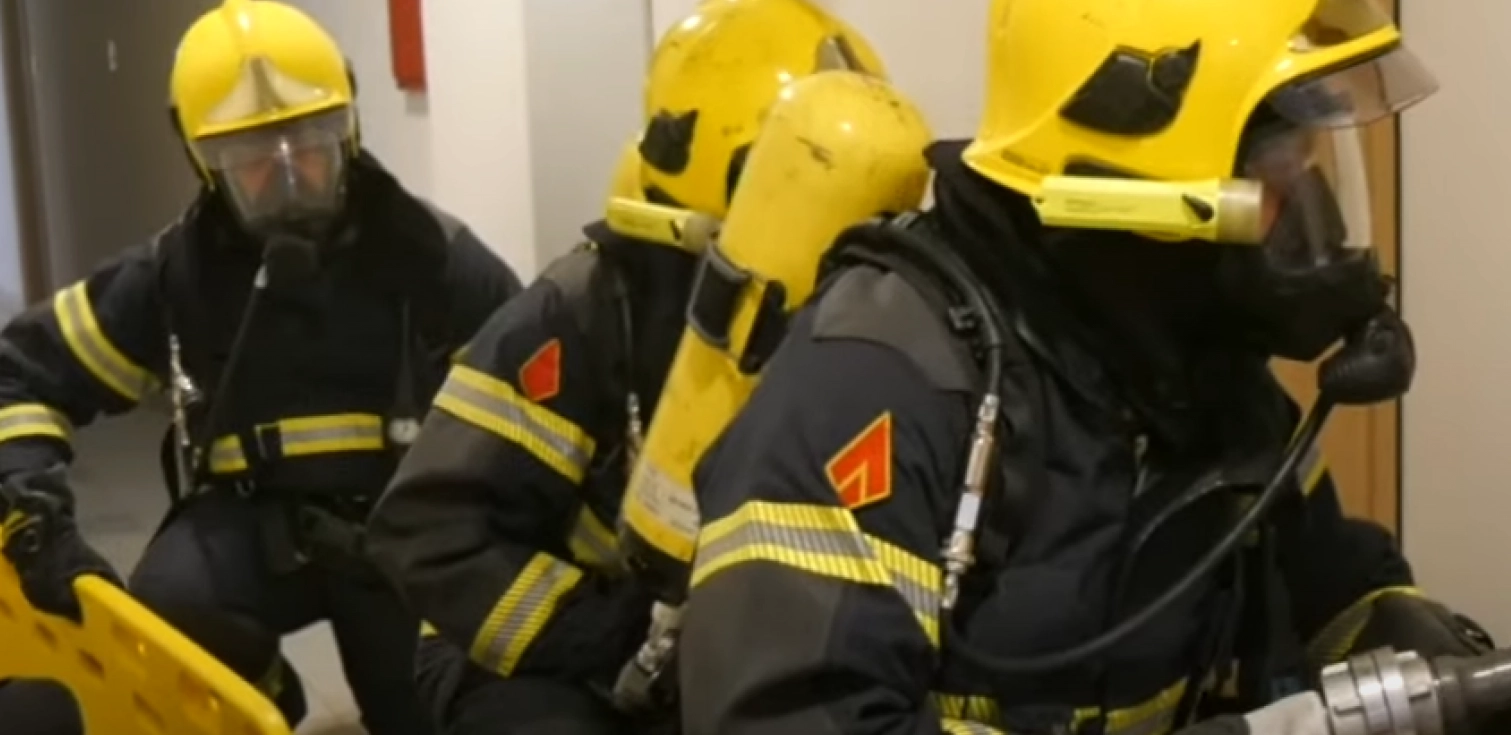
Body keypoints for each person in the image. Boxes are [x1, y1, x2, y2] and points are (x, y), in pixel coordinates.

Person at [676, 1, 1497, 734]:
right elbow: (795, 714)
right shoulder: (874, 383)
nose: (1311, 217)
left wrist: (1416, 646)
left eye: (1309, 165)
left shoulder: (1202, 374)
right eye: (1275, 172)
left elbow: (1332, 581)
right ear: (1146, 192)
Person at [363, 1, 887, 732]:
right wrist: (608, 633)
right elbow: (428, 528)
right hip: (532, 647)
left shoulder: (860, 311)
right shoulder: (583, 311)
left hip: (712, 649)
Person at [0, 1, 521, 733]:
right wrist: (36, 517)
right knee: (173, 624)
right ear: (201, 160)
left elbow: (536, 401)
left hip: (401, 530)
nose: (288, 175)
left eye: (309, 142)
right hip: (247, 525)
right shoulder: (176, 276)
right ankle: (263, 691)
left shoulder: (433, 257)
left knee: (432, 704)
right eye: (251, 155)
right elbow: (19, 375)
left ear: (349, 127)